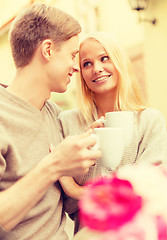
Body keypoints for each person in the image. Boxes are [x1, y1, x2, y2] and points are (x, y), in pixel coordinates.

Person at [0, 4, 102, 240]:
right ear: (47, 50)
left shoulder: (56, 116)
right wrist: (54, 165)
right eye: (72, 55)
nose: (76, 67)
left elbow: (69, 203)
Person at [58, 31, 167, 233]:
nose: (97, 69)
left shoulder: (150, 121)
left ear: (119, 62)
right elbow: (66, 204)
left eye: (104, 58)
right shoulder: (67, 122)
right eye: (87, 64)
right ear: (80, 73)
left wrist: (75, 189)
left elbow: (149, 193)